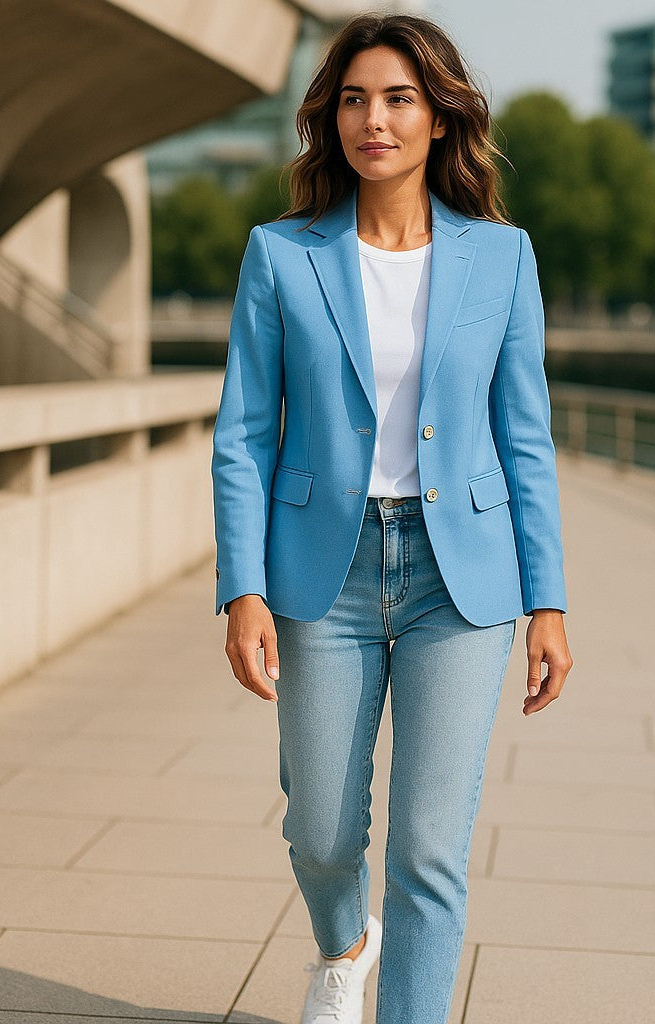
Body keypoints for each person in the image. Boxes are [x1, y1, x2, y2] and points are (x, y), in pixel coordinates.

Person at [211, 12, 574, 1024]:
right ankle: (344, 941)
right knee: (322, 830)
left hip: (457, 579)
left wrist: (546, 601)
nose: (376, 118)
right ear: (331, 121)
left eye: (400, 98)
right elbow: (242, 434)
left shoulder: (501, 260)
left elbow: (525, 438)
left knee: (427, 848)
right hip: (318, 571)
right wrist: (240, 586)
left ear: (441, 119)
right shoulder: (280, 256)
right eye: (356, 99)